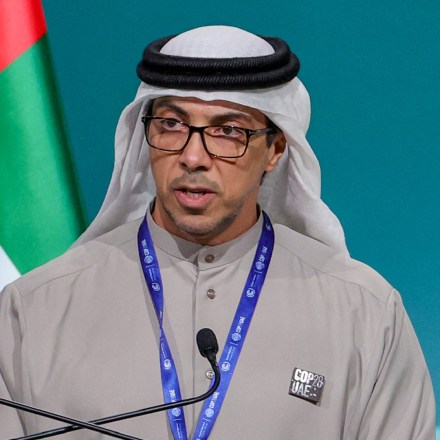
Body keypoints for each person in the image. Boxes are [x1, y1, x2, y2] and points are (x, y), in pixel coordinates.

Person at [0, 25, 435, 439]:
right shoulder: (33, 310)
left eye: (228, 131)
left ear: (275, 149)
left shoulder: (364, 313)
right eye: (171, 124)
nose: (193, 157)